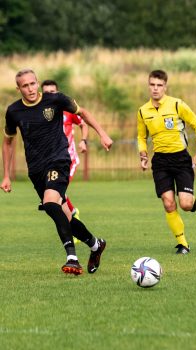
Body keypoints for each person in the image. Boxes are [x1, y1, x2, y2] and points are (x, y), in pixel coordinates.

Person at [1, 68, 113, 275]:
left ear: (37, 82)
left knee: (50, 203)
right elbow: (8, 141)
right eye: (25, 86)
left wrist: (103, 134)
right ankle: (96, 245)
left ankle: (72, 258)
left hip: (59, 160)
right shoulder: (14, 111)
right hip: (36, 169)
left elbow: (83, 113)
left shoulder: (55, 100)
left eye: (33, 83)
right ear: (19, 89)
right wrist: (6, 175)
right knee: (65, 216)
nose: (30, 89)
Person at [137, 69, 196, 254]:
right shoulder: (143, 111)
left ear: (165, 87)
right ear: (148, 86)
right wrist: (143, 155)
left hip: (181, 159)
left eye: (159, 85)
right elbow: (141, 136)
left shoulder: (177, 105)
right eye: (152, 85)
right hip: (160, 161)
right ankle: (183, 244)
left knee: (185, 204)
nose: (155, 89)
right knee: (168, 203)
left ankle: (191, 200)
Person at [41, 80, 87, 243]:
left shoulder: (67, 110)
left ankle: (72, 221)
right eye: (46, 92)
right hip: (51, 160)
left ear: (58, 92)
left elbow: (83, 122)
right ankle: (72, 215)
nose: (50, 95)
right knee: (57, 194)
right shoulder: (42, 112)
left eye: (53, 92)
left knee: (58, 193)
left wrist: (84, 141)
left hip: (69, 159)